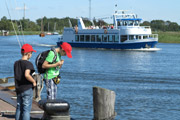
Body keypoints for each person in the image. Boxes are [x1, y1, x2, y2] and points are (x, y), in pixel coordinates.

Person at [14, 44, 37, 120]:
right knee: (26, 110)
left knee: (19, 107)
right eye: (32, 53)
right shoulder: (28, 64)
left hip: (19, 89)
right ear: (29, 53)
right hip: (27, 89)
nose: (31, 54)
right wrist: (33, 81)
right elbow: (27, 75)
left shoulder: (16, 63)